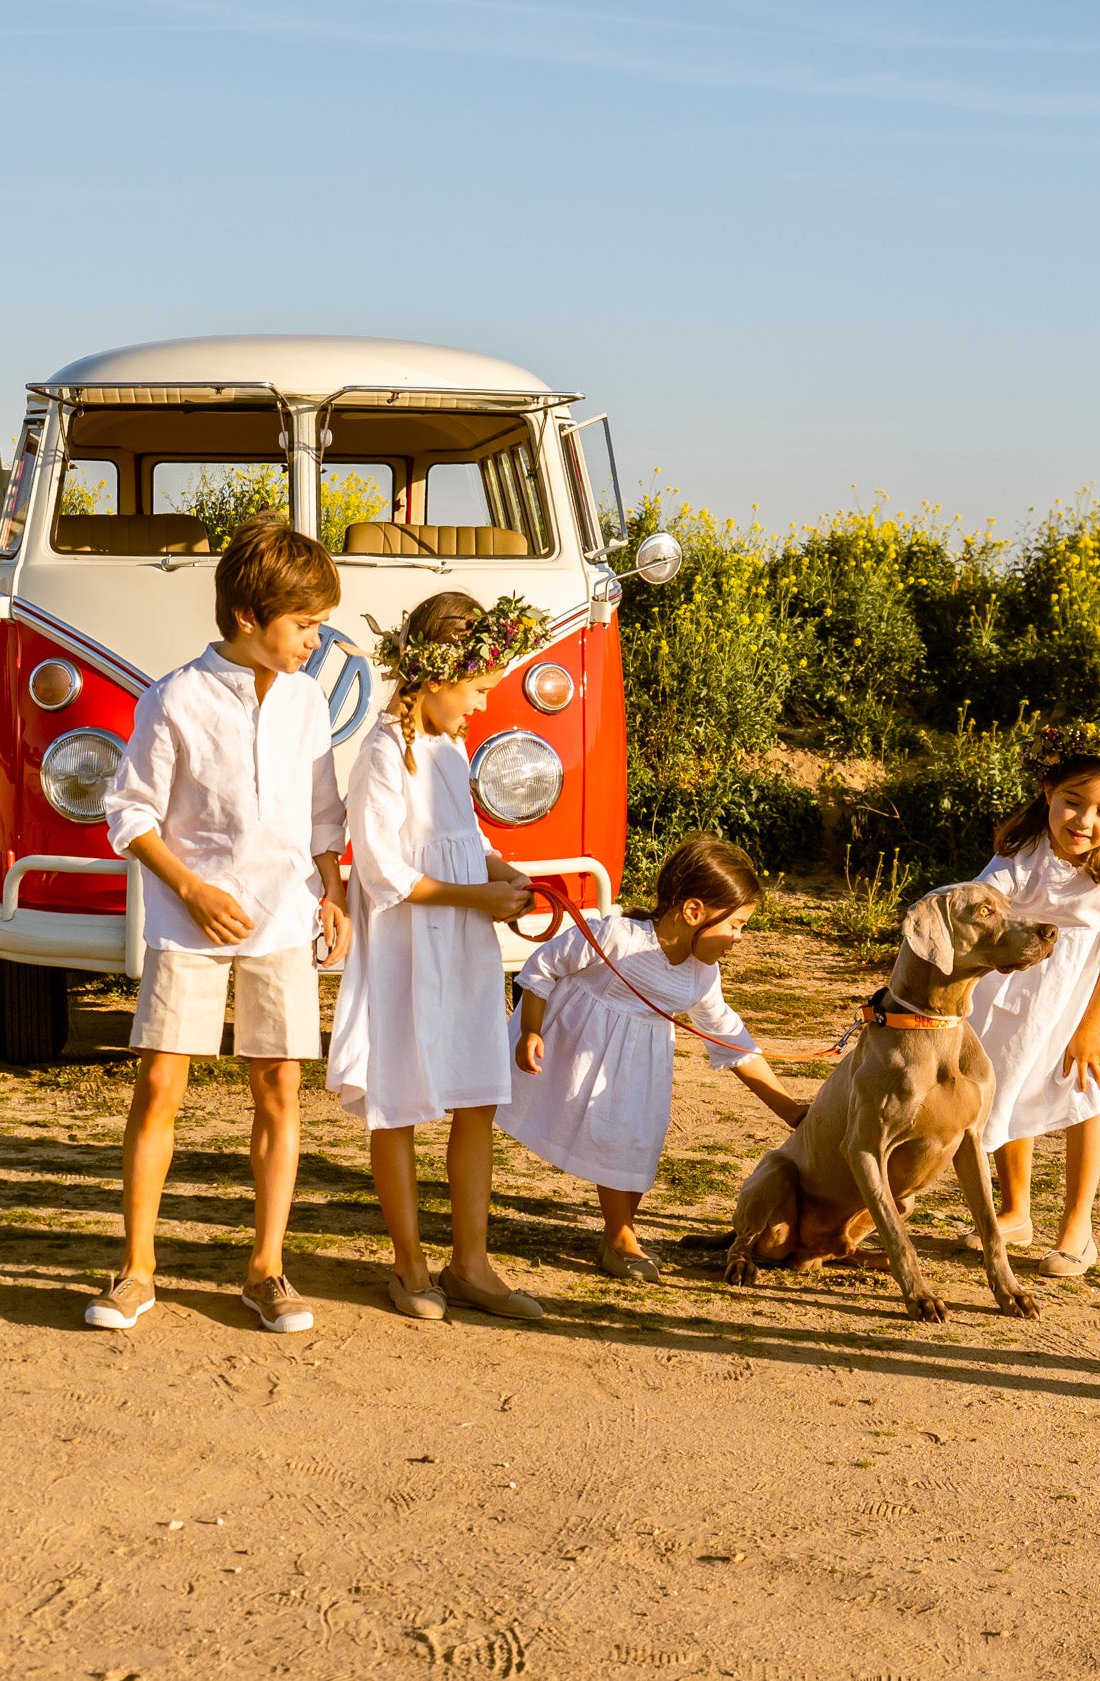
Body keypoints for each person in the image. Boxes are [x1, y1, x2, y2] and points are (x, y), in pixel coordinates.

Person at [84, 511, 352, 1336]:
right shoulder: (175, 698)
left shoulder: (308, 701)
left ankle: (267, 1268)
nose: (314, 639)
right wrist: (193, 890)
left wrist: (333, 891)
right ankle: (136, 1268)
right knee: (161, 1083)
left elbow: (321, 814)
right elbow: (127, 814)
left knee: (279, 1085)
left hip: (283, 917)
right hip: (188, 919)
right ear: (248, 618)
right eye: (305, 624)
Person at [329, 591, 549, 1322]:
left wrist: (498, 869)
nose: (482, 708)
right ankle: (409, 1260)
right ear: (440, 673)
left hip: (463, 945)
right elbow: (385, 872)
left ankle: (472, 1261)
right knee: (395, 1101)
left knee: (477, 1094)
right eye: (479, 690)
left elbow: (461, 839)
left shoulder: (450, 752)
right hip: (406, 948)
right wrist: (473, 898)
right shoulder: (384, 754)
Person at [501, 836, 805, 1280]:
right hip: (577, 1049)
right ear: (694, 911)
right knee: (610, 1134)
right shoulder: (617, 936)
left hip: (640, 1069)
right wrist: (530, 1029)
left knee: (636, 1144)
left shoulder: (702, 975)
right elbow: (543, 968)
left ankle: (618, 1233)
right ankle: (620, 1237)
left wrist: (791, 1109)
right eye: (736, 924)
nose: (739, 937)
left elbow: (729, 1036)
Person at [967, 723, 1100, 1280]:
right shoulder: (1021, 845)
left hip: (1088, 983)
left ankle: (1079, 1226)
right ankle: (1015, 1211)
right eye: (1074, 804)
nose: (1085, 822)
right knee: (1008, 1076)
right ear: (1048, 790)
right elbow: (983, 901)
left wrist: (1091, 1027)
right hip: (1016, 977)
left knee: (1085, 1087)